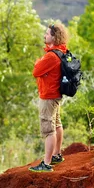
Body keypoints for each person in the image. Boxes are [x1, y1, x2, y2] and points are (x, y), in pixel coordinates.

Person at [29, 22, 68, 173]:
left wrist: (38, 62)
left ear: (54, 37)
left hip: (48, 96)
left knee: (48, 129)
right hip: (56, 94)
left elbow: (36, 71)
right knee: (57, 124)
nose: (44, 36)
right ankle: (57, 154)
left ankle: (46, 163)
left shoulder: (51, 56)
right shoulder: (62, 51)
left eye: (47, 34)